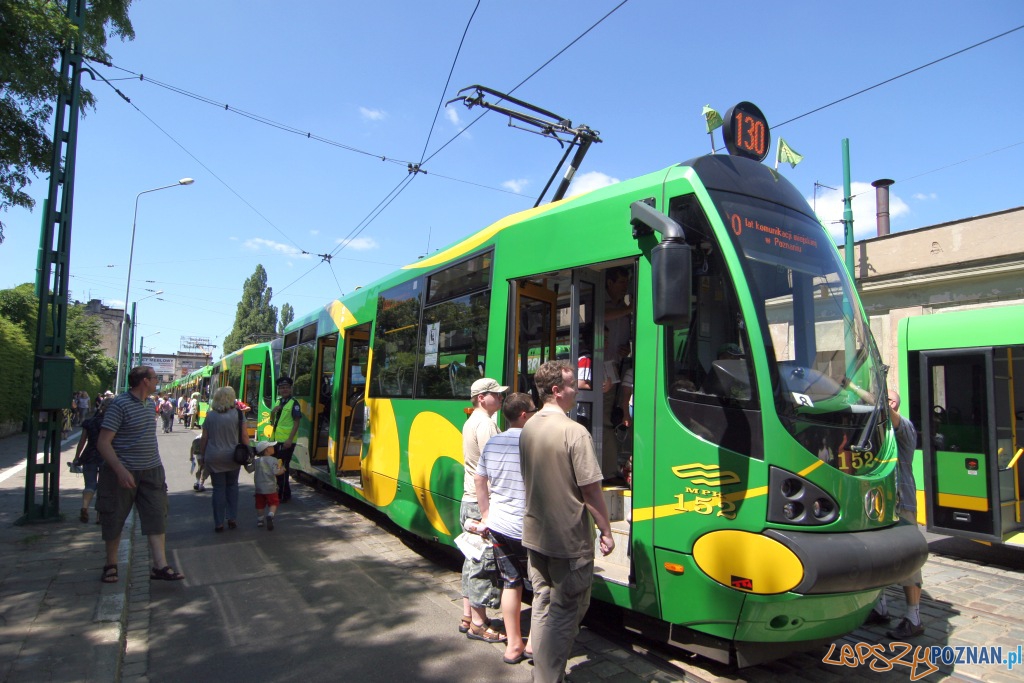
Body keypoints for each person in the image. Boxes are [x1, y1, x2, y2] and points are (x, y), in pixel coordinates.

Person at [520, 360, 614, 683]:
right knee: (566, 610)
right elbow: (591, 492)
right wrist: (606, 530)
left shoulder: (528, 427)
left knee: (542, 601)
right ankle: (547, 678)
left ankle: (544, 671)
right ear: (557, 391)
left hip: (535, 535)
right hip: (569, 541)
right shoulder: (575, 432)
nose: (578, 390)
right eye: (573, 384)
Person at [96, 365, 184, 583]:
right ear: (145, 381)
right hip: (123, 473)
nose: (157, 382)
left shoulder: (150, 405)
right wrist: (119, 470)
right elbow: (103, 443)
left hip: (152, 471)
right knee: (114, 517)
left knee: (157, 517)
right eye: (155, 378)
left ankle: (160, 566)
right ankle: (111, 564)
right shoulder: (119, 405)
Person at [474, 392, 536, 664]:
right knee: (542, 587)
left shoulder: (494, 442)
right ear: (524, 414)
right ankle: (533, 644)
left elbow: (479, 480)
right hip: (527, 527)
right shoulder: (534, 442)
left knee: (511, 583)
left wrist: (486, 515)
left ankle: (513, 646)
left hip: (499, 524)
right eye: (533, 410)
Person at [865, 390, 927, 639]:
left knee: (908, 559)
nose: (886, 404)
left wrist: (857, 389)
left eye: (890, 400)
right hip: (881, 504)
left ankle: (914, 617)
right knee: (881, 556)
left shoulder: (905, 429)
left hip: (903, 503)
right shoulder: (879, 434)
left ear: (895, 405)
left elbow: (884, 410)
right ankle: (880, 608)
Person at [459, 377, 506, 643]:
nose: (500, 398)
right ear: (481, 398)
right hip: (481, 502)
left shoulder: (471, 421)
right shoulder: (486, 423)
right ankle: (478, 623)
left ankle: (468, 615)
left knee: (470, 559)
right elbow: (493, 465)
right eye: (496, 394)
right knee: (482, 564)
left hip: (469, 500)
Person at [199, 386, 250, 532]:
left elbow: (204, 438)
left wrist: (202, 456)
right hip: (233, 456)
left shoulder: (210, 416)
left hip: (214, 456)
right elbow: (245, 436)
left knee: (218, 489)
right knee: (232, 486)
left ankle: (218, 523)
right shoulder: (238, 414)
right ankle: (232, 518)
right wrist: (249, 452)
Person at [72, 396, 111, 523]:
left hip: (89, 455)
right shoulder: (112, 423)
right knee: (104, 487)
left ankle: (84, 506)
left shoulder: (89, 422)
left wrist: (77, 457)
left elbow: (82, 441)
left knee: (90, 484)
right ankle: (100, 516)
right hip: (107, 457)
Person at [270, 376, 302, 503]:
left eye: (287, 388)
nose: (284, 390)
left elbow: (296, 422)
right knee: (279, 467)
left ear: (290, 389)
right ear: (279, 390)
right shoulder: (278, 402)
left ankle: (282, 495)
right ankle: (284, 493)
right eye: (282, 388)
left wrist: (289, 440)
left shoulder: (294, 403)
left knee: (281, 467)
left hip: (287, 442)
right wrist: (273, 411)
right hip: (277, 440)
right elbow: (273, 420)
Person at [252, 441, 286, 530]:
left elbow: (249, 469)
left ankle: (260, 521)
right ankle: (270, 515)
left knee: (260, 504)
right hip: (270, 487)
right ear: (267, 450)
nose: (274, 447)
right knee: (273, 502)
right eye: (271, 446)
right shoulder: (274, 460)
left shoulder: (257, 461)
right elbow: (276, 472)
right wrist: (282, 469)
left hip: (259, 488)